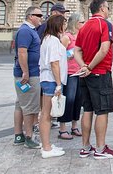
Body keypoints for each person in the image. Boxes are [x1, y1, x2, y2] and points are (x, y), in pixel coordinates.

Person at [74, 0, 113, 159]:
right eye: (107, 7)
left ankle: (85, 147)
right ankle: (100, 148)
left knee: (87, 109)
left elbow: (76, 50)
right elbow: (104, 49)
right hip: (99, 72)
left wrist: (84, 66)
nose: (108, 10)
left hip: (85, 74)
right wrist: (91, 67)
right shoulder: (105, 24)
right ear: (101, 8)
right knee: (102, 110)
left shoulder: (84, 26)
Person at [13, 6, 43, 149]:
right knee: (30, 107)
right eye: (38, 15)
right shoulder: (25, 31)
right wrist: (26, 72)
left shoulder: (30, 30)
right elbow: (22, 52)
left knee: (21, 105)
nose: (41, 18)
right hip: (29, 74)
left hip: (28, 72)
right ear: (30, 16)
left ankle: (18, 135)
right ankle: (29, 137)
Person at [39, 15, 68, 158]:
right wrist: (58, 84)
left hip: (48, 79)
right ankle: (46, 148)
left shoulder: (47, 39)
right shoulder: (53, 41)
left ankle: (47, 145)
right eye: (64, 23)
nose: (65, 26)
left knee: (47, 114)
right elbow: (54, 63)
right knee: (46, 114)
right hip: (51, 80)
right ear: (58, 25)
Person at [58, 12, 85, 140]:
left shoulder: (81, 36)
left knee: (78, 100)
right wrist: (69, 55)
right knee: (68, 99)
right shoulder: (66, 37)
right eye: (82, 22)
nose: (83, 24)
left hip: (80, 72)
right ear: (75, 23)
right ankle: (62, 128)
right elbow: (59, 55)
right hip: (70, 73)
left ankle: (74, 126)